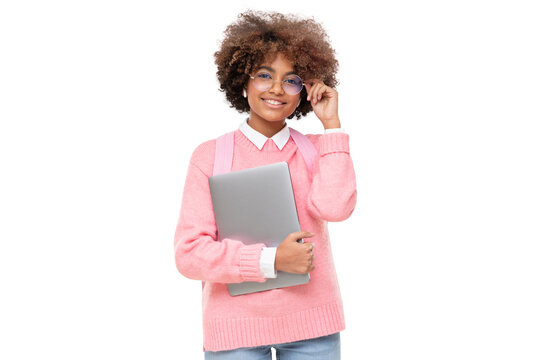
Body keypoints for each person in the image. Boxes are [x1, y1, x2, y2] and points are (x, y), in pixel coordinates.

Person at [173, 9, 357, 360]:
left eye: (291, 79)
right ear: (242, 79)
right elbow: (189, 253)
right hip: (234, 332)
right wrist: (272, 260)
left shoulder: (320, 150)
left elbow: (336, 208)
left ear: (305, 90)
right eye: (264, 75)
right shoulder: (210, 156)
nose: (277, 89)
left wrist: (332, 126)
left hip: (313, 330)